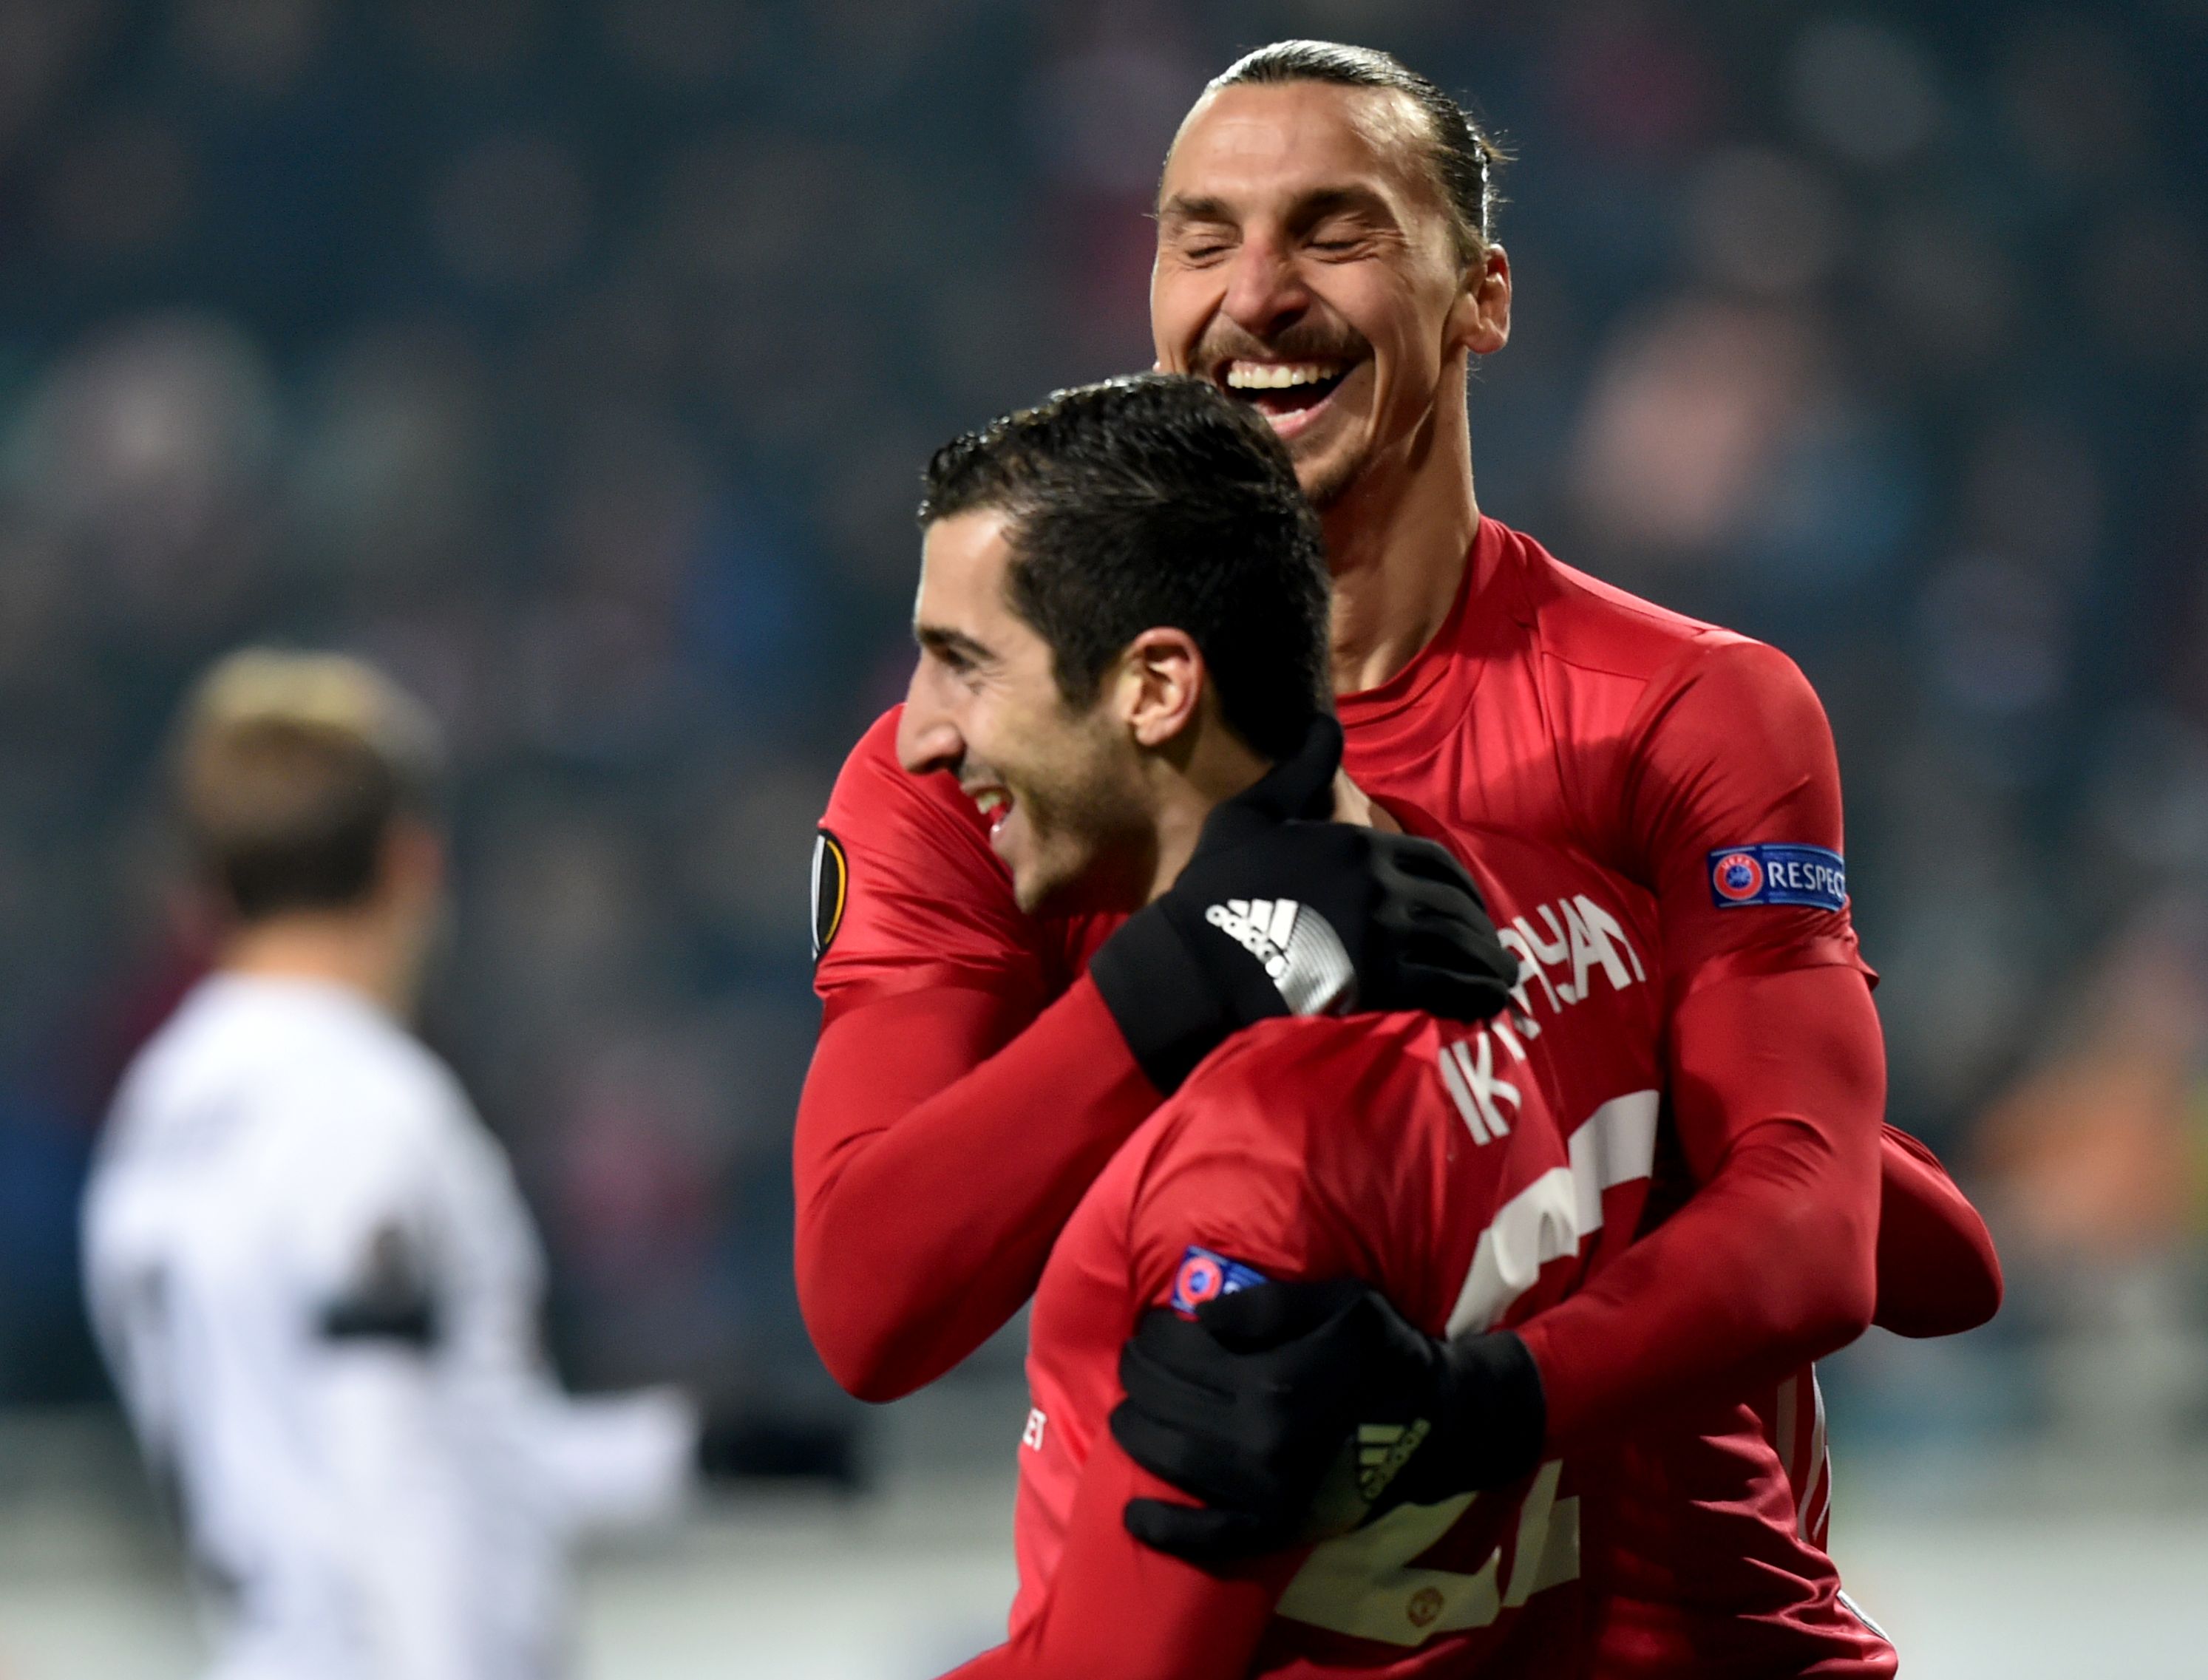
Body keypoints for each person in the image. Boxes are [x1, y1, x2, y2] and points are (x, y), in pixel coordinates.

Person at [797, 40, 2000, 1673]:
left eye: (1335, 231)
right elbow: (871, 1305)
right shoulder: (997, 770)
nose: (1258, 293)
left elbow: (1824, 1237)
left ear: (1481, 296)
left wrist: (1470, 1403)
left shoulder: (1683, 712)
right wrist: (1190, 974)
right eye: (1202, 238)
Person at [910, 373, 1643, 1676]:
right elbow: (1910, 1243)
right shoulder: (1583, 927)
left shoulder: (1249, 1138)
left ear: (1154, 686)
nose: (918, 734)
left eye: (965, 665)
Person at [83, 651, 700, 1680]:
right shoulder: (369, 1111)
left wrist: (700, 1455)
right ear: (414, 860)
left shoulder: (157, 1115)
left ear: (203, 884)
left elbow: (449, 1441)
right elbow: (395, 1471)